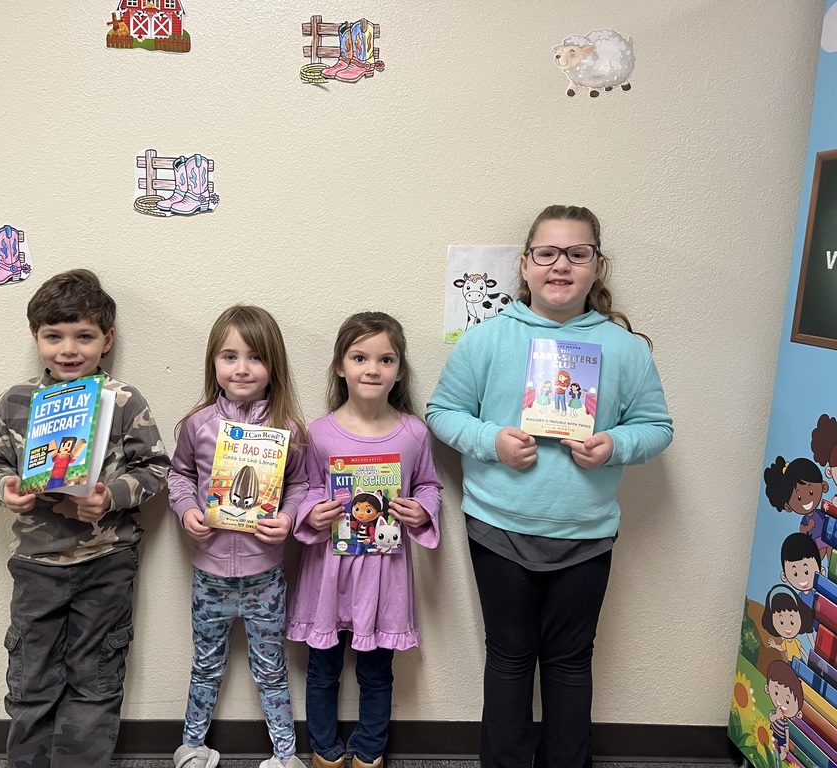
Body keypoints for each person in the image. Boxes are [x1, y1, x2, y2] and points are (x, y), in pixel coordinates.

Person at [426, 205, 674, 768]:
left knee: (569, 664)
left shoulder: (625, 348)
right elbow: (442, 412)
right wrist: (493, 442)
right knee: (509, 659)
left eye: (576, 253)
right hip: (499, 527)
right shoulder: (486, 341)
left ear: (597, 266)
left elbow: (657, 427)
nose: (560, 266)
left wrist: (616, 445)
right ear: (525, 264)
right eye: (547, 253)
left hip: (585, 533)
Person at [0, 269, 171, 768]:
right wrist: (8, 490)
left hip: (106, 563)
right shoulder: (15, 403)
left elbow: (156, 469)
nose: (69, 349)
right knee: (30, 679)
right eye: (53, 336)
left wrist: (112, 496)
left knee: (97, 679)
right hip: (37, 566)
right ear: (36, 338)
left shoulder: (124, 402)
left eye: (84, 336)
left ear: (107, 340)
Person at [287, 312, 442, 768]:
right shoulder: (318, 432)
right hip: (328, 571)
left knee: (377, 670)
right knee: (323, 668)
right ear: (341, 366)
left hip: (385, 570)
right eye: (360, 357)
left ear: (399, 369)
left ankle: (370, 749)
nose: (372, 369)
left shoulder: (414, 431)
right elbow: (310, 486)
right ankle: (325, 749)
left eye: (385, 359)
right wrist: (312, 513)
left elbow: (429, 484)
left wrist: (422, 509)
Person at [169, 305, 309, 768]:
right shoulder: (199, 424)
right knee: (205, 664)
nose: (242, 368)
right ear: (213, 363)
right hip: (209, 575)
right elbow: (179, 475)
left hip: (265, 576)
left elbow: (303, 485)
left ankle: (286, 755)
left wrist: (289, 518)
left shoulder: (288, 428)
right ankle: (191, 746)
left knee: (271, 668)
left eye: (255, 357)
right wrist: (188, 510)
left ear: (274, 366)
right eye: (229, 356)